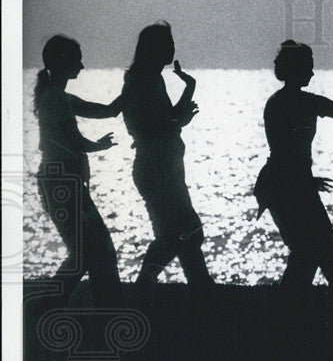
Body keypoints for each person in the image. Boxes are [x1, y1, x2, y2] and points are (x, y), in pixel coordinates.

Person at [253, 40, 333, 310]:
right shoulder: (303, 103)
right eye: (308, 68)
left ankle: (289, 313)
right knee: (325, 253)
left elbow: (284, 152)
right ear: (297, 70)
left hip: (280, 185)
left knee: (306, 254)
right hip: (291, 187)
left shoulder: (277, 102)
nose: (312, 74)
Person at [121, 22, 213, 304]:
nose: (172, 49)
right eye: (167, 43)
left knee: (180, 233)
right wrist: (180, 120)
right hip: (156, 167)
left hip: (165, 165)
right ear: (153, 49)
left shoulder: (149, 78)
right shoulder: (142, 80)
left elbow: (168, 120)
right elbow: (150, 127)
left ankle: (200, 291)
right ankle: (149, 290)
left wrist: (189, 89)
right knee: (179, 234)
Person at [33, 34, 124, 308]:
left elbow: (106, 111)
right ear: (63, 62)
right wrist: (98, 146)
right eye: (77, 60)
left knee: (89, 250)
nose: (82, 66)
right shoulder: (55, 98)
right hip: (61, 182)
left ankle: (101, 305)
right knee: (90, 250)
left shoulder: (58, 96)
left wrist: (128, 93)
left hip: (64, 182)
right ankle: (50, 304)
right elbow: (72, 140)